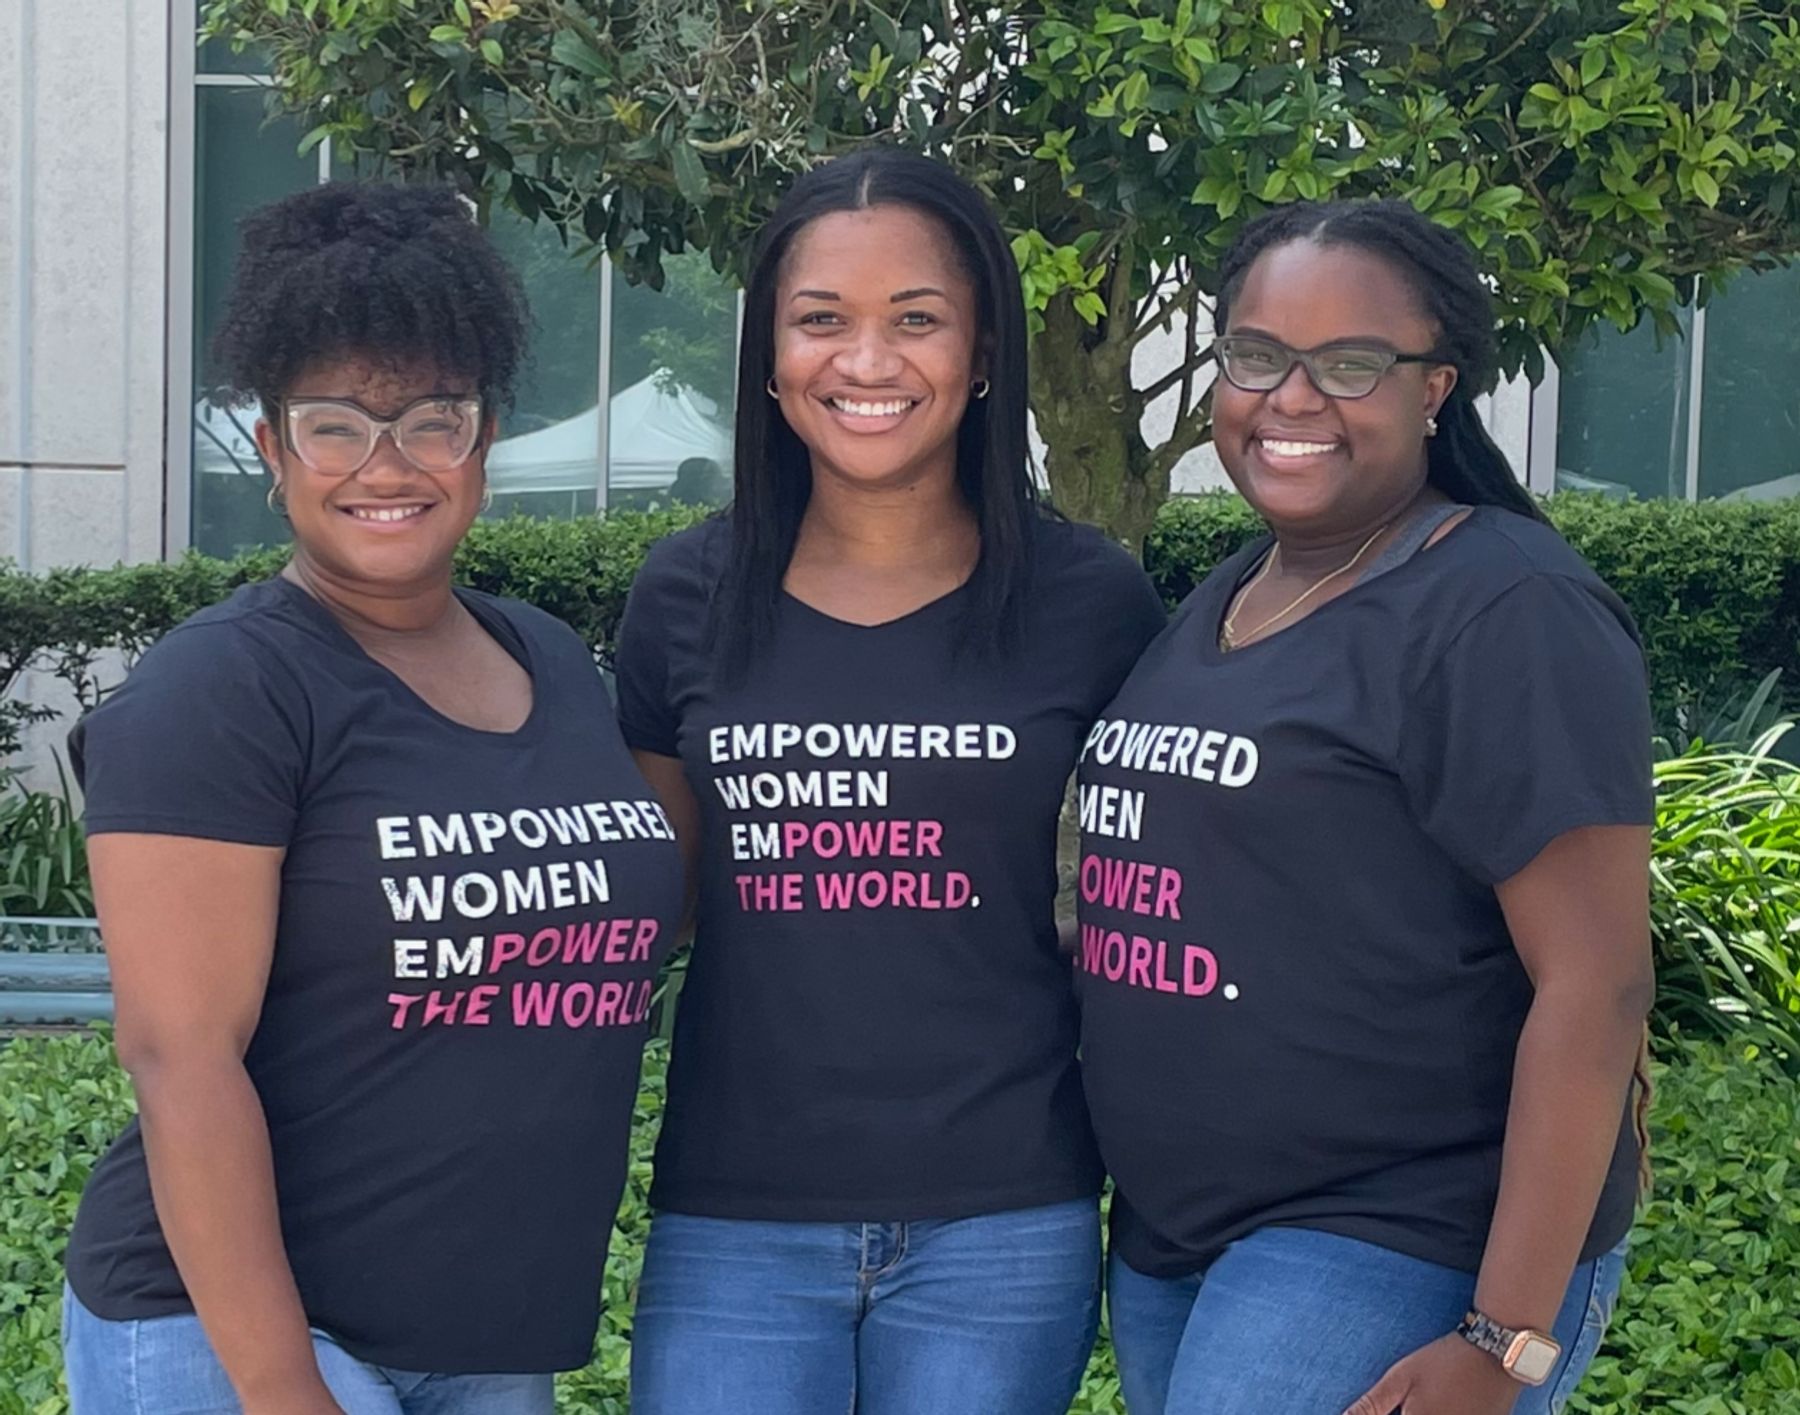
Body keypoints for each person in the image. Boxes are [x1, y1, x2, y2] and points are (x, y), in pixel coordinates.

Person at [59, 182, 683, 1414]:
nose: (385, 466)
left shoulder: (551, 657)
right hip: (235, 1341)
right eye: (335, 423)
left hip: (490, 1338)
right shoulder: (223, 688)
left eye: (431, 419)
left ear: (486, 433)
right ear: (271, 444)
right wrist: (286, 1388)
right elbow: (179, 1055)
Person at [1074, 199, 1653, 1415]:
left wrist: (1505, 1336)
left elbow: (1597, 983)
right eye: (1256, 355)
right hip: (1183, 1239)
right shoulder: (1232, 590)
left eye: (1349, 364)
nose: (1291, 397)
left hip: (1398, 1232)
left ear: (1435, 386)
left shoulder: (1504, 607)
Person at [614, 146, 1167, 1414]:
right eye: (822, 321)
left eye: (915, 320)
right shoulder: (681, 596)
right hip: (735, 1216)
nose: (866, 362)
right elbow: (653, 906)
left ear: (982, 356)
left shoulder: (1092, 602)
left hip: (1005, 1215)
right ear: (769, 355)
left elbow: (1168, 892)